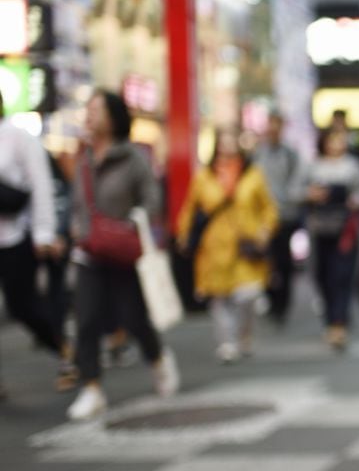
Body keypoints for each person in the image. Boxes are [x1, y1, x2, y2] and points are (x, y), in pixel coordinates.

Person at [67, 90, 179, 420]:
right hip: (88, 252)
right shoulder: (84, 158)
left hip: (124, 252)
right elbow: (77, 204)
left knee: (134, 317)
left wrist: (131, 224)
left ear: (114, 117)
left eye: (96, 109)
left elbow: (153, 201)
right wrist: (75, 228)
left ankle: (157, 358)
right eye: (87, 109)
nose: (89, 115)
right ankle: (91, 388)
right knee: (85, 320)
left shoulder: (133, 158)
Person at [178, 127, 278, 364]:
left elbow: (269, 207)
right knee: (220, 298)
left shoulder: (253, 174)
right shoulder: (204, 176)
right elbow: (190, 208)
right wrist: (183, 234)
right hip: (215, 247)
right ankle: (226, 343)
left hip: (246, 244)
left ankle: (244, 334)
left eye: (232, 140)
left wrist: (266, 229)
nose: (227, 145)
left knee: (248, 294)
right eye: (223, 140)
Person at [0, 92, 74, 397]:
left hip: (17, 237)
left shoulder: (17, 136)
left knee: (23, 306)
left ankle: (65, 351)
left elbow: (41, 184)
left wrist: (45, 233)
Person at [295, 128, 359, 349]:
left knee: (343, 276)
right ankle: (330, 319)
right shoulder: (312, 166)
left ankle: (339, 323)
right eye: (332, 139)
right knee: (322, 276)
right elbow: (294, 191)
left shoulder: (353, 166)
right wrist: (311, 194)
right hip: (319, 229)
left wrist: (355, 200)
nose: (336, 144)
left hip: (346, 230)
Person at [252, 112, 301, 324]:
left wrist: (287, 202)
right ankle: (270, 299)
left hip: (284, 216)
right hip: (262, 217)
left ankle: (283, 303)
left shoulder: (290, 154)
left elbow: (296, 184)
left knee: (283, 261)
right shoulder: (258, 154)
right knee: (265, 260)